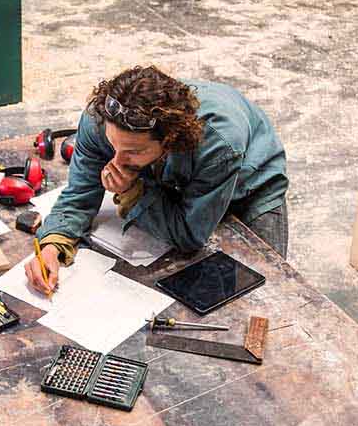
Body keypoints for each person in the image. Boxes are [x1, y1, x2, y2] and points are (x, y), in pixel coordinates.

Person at [25, 66, 288, 296]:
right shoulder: (100, 121)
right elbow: (79, 195)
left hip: (250, 186)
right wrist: (52, 244)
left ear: (170, 141)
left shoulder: (218, 144)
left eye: (134, 152)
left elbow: (189, 236)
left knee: (262, 291)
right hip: (173, 173)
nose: (117, 161)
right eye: (112, 145)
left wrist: (131, 191)